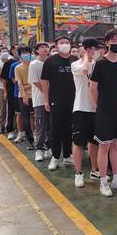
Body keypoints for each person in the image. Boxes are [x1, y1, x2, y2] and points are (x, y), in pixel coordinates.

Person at [90, 29, 117, 197]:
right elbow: (93, 88)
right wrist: (100, 106)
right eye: (113, 40)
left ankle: (116, 179)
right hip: (104, 112)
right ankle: (103, 181)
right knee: (104, 147)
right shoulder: (100, 63)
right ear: (107, 43)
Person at [41, 36, 76, 170]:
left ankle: (67, 155)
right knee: (56, 130)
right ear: (56, 46)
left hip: (73, 101)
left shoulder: (75, 60)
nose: (65, 44)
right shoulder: (51, 61)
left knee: (69, 129)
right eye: (61, 43)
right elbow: (44, 81)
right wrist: (46, 100)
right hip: (56, 100)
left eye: (67, 42)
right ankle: (55, 157)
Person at [71, 38, 102, 187]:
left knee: (94, 142)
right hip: (81, 108)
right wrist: (86, 57)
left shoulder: (99, 65)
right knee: (78, 142)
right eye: (94, 49)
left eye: (97, 49)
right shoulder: (75, 65)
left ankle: (95, 170)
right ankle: (78, 173)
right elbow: (84, 70)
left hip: (96, 109)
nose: (96, 51)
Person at [29, 42, 51, 161]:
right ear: (37, 50)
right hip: (40, 100)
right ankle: (38, 149)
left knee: (50, 125)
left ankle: (48, 147)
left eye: (46, 47)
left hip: (52, 99)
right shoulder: (34, 64)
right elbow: (35, 81)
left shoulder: (50, 62)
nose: (45, 49)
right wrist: (46, 91)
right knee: (40, 125)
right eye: (42, 47)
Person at [14, 46, 35, 150]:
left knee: (37, 118)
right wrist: (24, 96)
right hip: (24, 95)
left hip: (36, 94)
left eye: (27, 52)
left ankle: (39, 138)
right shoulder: (18, 67)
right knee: (26, 119)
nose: (25, 54)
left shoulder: (34, 65)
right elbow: (19, 83)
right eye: (23, 53)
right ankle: (30, 141)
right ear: (20, 55)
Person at [1, 44, 19, 140]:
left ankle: (21, 130)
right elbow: (4, 79)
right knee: (11, 110)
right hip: (12, 90)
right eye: (16, 49)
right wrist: (5, 91)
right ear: (12, 51)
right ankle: (10, 130)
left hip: (24, 91)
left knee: (21, 112)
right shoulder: (8, 64)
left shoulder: (27, 62)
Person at [9, 49, 24, 143]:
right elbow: (14, 80)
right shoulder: (14, 66)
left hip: (31, 94)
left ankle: (32, 134)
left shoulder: (32, 64)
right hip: (17, 93)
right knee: (19, 114)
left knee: (31, 115)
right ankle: (20, 133)